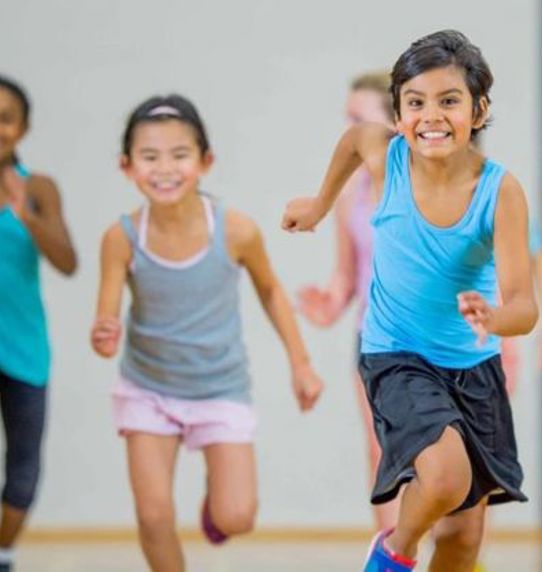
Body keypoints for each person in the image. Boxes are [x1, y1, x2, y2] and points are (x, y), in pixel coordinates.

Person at [283, 30, 538, 572]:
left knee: (464, 536)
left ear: (479, 108)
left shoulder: (500, 192)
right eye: (415, 103)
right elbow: (355, 142)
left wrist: (494, 316)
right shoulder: (386, 154)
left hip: (473, 366)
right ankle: (394, 550)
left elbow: (525, 306)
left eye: (449, 101)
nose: (431, 116)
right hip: (396, 355)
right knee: (446, 476)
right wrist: (320, 204)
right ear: (398, 112)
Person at [91, 94, 323, 572]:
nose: (165, 169)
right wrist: (104, 336)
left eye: (179, 155)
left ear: (205, 161)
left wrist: (300, 363)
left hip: (220, 387)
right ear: (127, 167)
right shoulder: (121, 238)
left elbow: (271, 291)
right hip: (148, 389)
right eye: (149, 157)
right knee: (154, 517)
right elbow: (107, 319)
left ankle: (216, 509)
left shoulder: (236, 231)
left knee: (236, 516)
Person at [296, 70, 400, 531]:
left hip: (433, 338)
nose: (350, 131)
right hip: (373, 338)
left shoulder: (427, 188)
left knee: (443, 459)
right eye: (347, 119)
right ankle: (394, 553)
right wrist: (330, 301)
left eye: (358, 118)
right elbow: (348, 274)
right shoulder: (350, 196)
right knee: (381, 448)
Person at [0, 75, 78, 572]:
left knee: (24, 465)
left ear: (23, 128)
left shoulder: (39, 187)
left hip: (24, 347)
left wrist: (27, 213)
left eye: (6, 117)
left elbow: (68, 261)